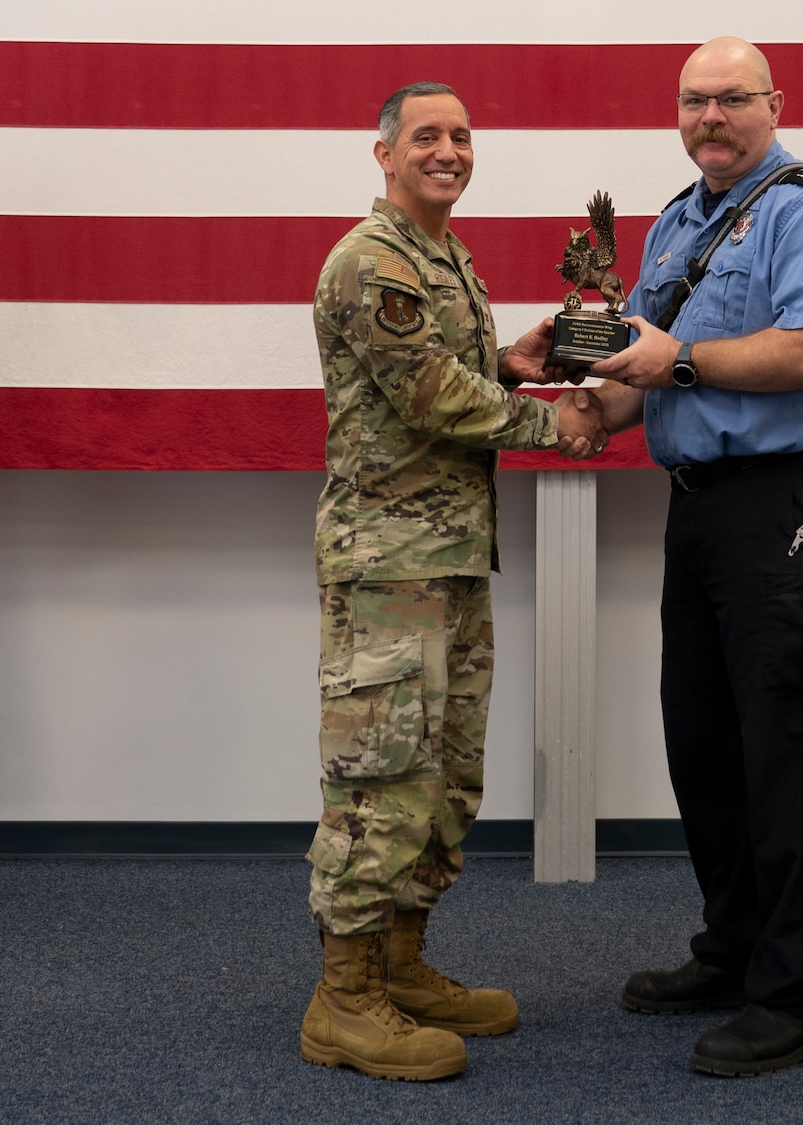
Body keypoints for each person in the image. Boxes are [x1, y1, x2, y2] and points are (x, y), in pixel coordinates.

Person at [301, 80, 605, 1082]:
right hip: (389, 566)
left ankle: (401, 966)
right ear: (384, 153)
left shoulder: (443, 258)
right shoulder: (373, 260)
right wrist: (550, 420)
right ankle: (343, 1001)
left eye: (461, 135)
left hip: (451, 559)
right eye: (426, 135)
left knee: (444, 779)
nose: (448, 150)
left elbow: (449, 376)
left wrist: (510, 366)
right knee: (381, 779)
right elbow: (428, 394)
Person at [583, 36, 803, 1078]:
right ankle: (735, 947)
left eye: (732, 99)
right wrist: (580, 404)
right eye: (694, 101)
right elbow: (645, 370)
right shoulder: (676, 222)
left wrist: (678, 363)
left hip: (785, 497)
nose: (711, 116)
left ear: (773, 105)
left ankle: (798, 995)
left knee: (788, 743)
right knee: (703, 740)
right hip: (698, 504)